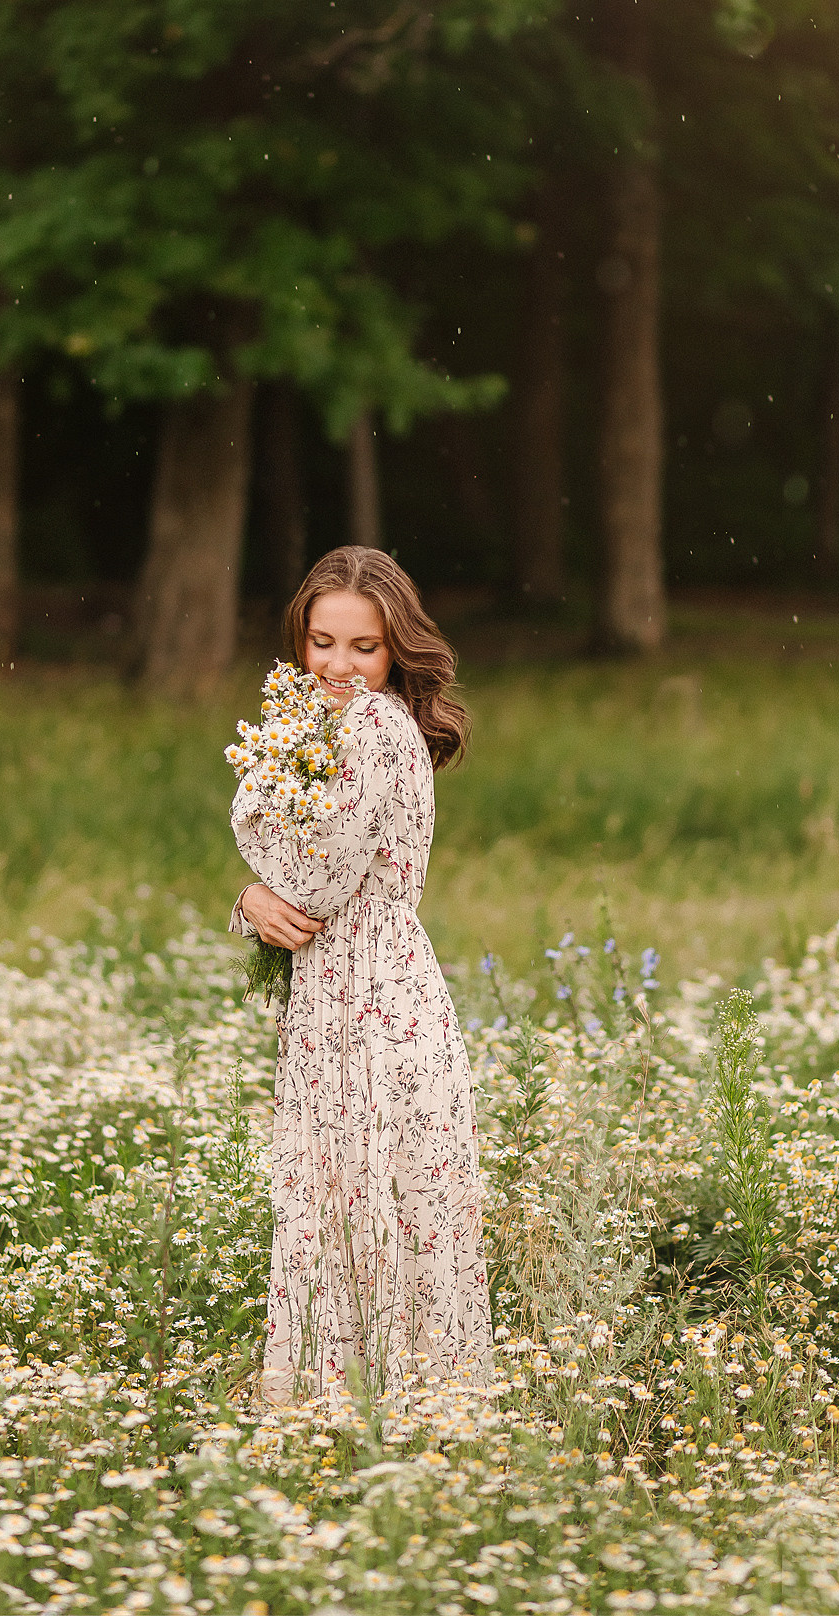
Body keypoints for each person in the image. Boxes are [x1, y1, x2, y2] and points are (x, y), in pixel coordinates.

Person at [230, 545, 493, 1404]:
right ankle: (356, 1423)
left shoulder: (374, 729)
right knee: (348, 1208)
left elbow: (313, 884)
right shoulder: (328, 730)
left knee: (374, 1206)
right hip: (340, 990)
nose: (339, 667)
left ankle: (385, 1417)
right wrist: (255, 900)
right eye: (321, 643)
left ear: (395, 651)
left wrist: (250, 883)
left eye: (363, 648)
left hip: (375, 1002)